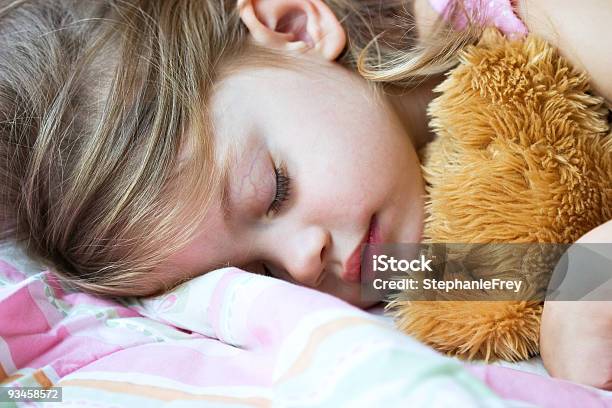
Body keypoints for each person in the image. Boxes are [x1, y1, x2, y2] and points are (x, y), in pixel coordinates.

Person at [0, 0, 610, 389]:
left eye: (275, 191)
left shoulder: (539, 14)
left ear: (295, 25)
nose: (303, 262)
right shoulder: (400, 254)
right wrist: (581, 289)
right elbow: (545, 274)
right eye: (263, 273)